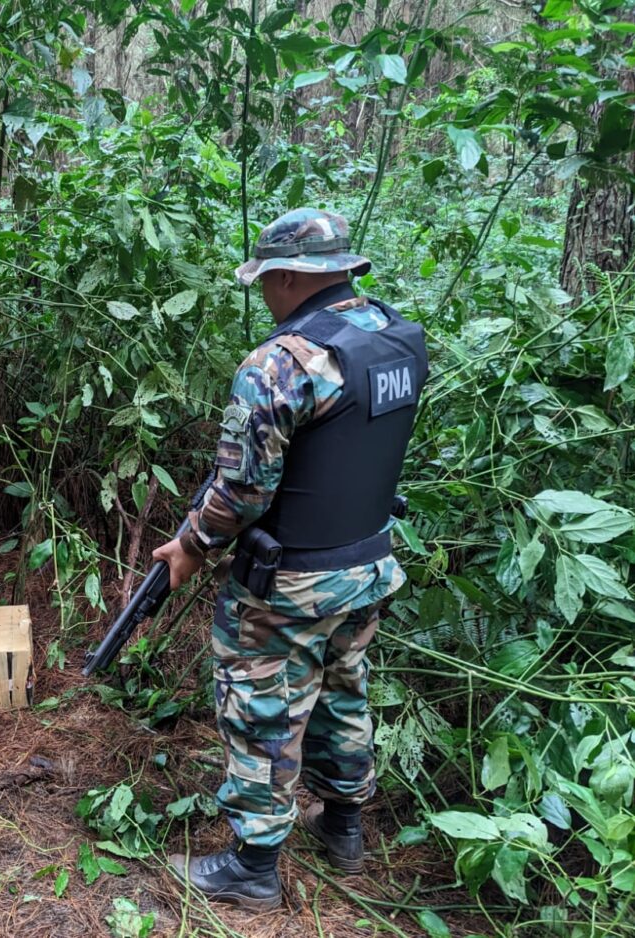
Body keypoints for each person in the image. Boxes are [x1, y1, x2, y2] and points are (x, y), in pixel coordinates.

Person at [152, 209, 428, 910]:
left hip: (292, 581)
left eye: (265, 282)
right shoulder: (399, 340)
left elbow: (243, 490)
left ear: (283, 277)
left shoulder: (280, 364)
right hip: (367, 565)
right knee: (343, 691)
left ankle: (253, 865)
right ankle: (343, 829)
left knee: (260, 707)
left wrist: (188, 546)